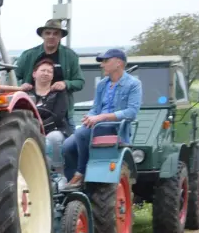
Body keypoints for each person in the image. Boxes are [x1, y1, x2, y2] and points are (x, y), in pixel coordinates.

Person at [59, 48, 142, 191]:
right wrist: (90, 117)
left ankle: (80, 173)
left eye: (105, 61)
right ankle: (71, 182)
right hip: (98, 126)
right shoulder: (102, 84)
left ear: (118, 63)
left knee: (81, 134)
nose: (101, 65)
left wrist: (101, 117)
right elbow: (95, 108)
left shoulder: (133, 84)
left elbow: (131, 112)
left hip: (116, 127)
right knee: (67, 145)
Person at [15, 19, 85, 131]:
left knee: (69, 144)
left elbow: (80, 82)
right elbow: (12, 77)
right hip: (30, 111)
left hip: (63, 113)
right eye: (48, 33)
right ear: (42, 35)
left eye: (56, 33)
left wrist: (65, 83)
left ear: (61, 36)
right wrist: (21, 86)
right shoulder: (29, 55)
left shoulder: (70, 56)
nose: (51, 36)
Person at [27, 58, 73, 168]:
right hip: (32, 130)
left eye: (49, 72)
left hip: (55, 129)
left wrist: (39, 127)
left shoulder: (59, 93)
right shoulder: (26, 94)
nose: (46, 73)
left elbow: (58, 116)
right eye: (43, 70)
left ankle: (57, 173)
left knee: (53, 138)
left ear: (52, 76)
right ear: (34, 74)